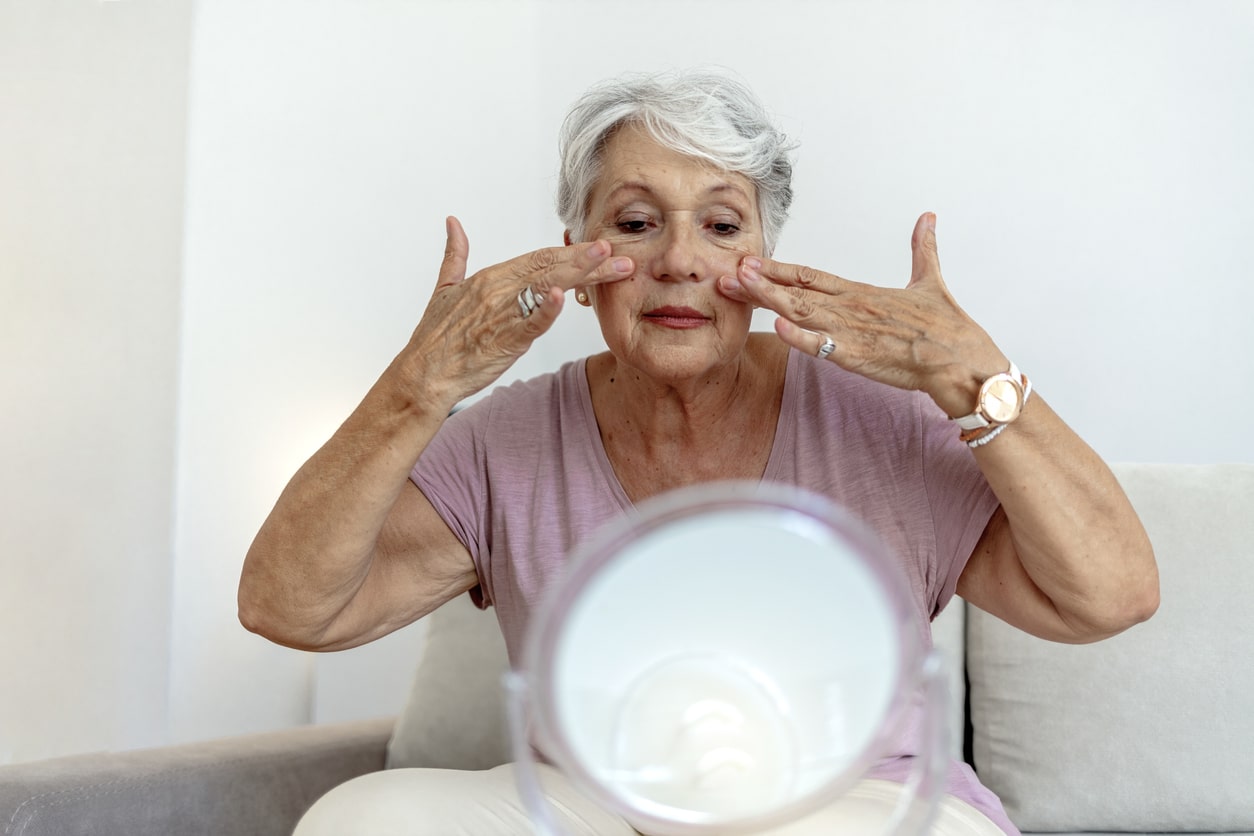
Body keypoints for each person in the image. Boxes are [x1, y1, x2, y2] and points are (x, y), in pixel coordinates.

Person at [238, 69, 1158, 835]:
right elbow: (293, 609)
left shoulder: (884, 419)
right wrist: (418, 386)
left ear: (763, 256)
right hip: (601, 801)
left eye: (721, 226)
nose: (679, 261)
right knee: (361, 820)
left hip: (859, 801)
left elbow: (1110, 596)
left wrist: (970, 377)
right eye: (636, 223)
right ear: (577, 256)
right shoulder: (501, 442)